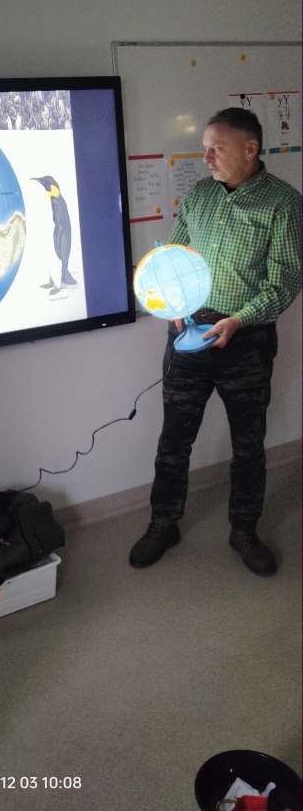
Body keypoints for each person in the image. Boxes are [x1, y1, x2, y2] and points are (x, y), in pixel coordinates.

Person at [129, 108, 302, 576]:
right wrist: (170, 303)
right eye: (206, 148)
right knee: (174, 439)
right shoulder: (201, 195)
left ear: (250, 149)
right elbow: (174, 256)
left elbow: (284, 282)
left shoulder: (283, 203)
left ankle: (244, 530)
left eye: (216, 149)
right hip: (189, 336)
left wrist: (238, 321)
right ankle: (163, 524)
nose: (205, 158)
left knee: (248, 444)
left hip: (246, 342)